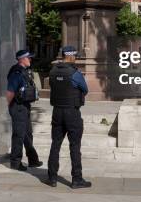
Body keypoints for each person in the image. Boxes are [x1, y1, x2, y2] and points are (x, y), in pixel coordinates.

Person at [46, 46, 91, 189]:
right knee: (75, 146)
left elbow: (53, 86)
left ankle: (52, 178)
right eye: (75, 56)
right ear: (71, 56)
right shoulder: (75, 74)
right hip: (72, 112)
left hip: (57, 111)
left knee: (55, 144)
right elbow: (85, 89)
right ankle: (76, 179)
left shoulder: (53, 72)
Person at [6, 49, 43, 171]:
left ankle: (33, 160)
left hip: (25, 106)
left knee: (28, 133)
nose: (30, 60)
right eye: (28, 58)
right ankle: (15, 162)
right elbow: (10, 92)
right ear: (22, 59)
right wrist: (10, 106)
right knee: (19, 135)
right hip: (18, 107)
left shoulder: (25, 71)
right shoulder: (16, 73)